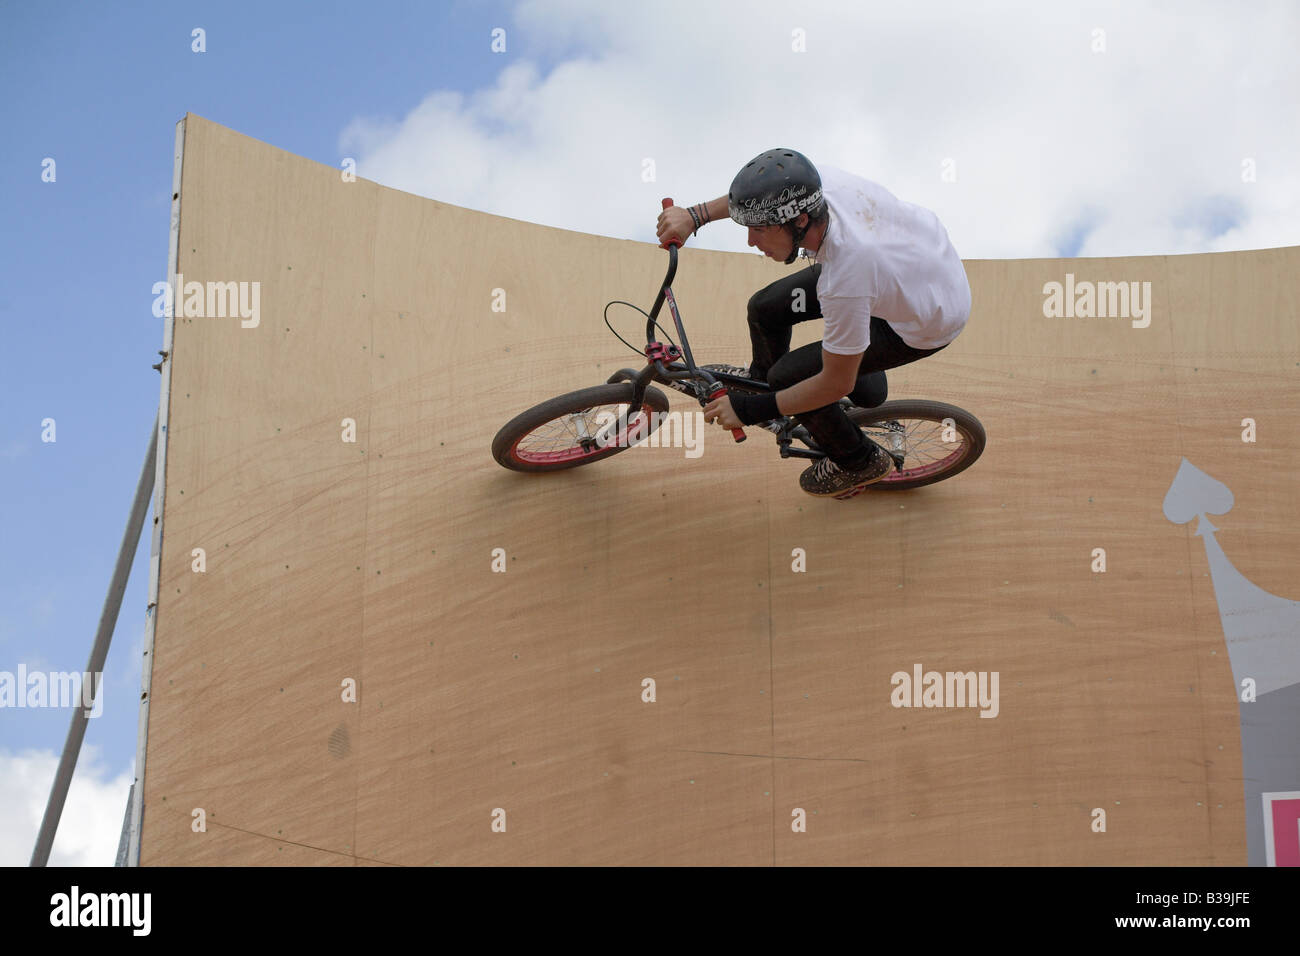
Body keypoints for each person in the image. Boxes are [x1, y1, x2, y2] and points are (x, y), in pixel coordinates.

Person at [655, 148, 971, 497]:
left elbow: (834, 382)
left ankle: (859, 460)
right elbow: (754, 198)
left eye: (759, 230)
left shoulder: (846, 277)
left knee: (789, 377)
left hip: (926, 320)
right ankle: (767, 382)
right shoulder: (811, 185)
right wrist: (694, 216)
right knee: (765, 309)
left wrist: (749, 410)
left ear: (799, 221)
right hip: (908, 271)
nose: (751, 241)